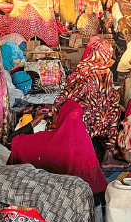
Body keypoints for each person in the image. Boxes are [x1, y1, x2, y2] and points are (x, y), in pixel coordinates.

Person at [51, 36, 123, 164]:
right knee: (115, 110)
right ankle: (108, 156)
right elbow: (110, 96)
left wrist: (57, 106)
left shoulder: (82, 67)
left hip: (81, 114)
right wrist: (119, 97)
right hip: (98, 118)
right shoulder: (105, 72)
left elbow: (70, 91)